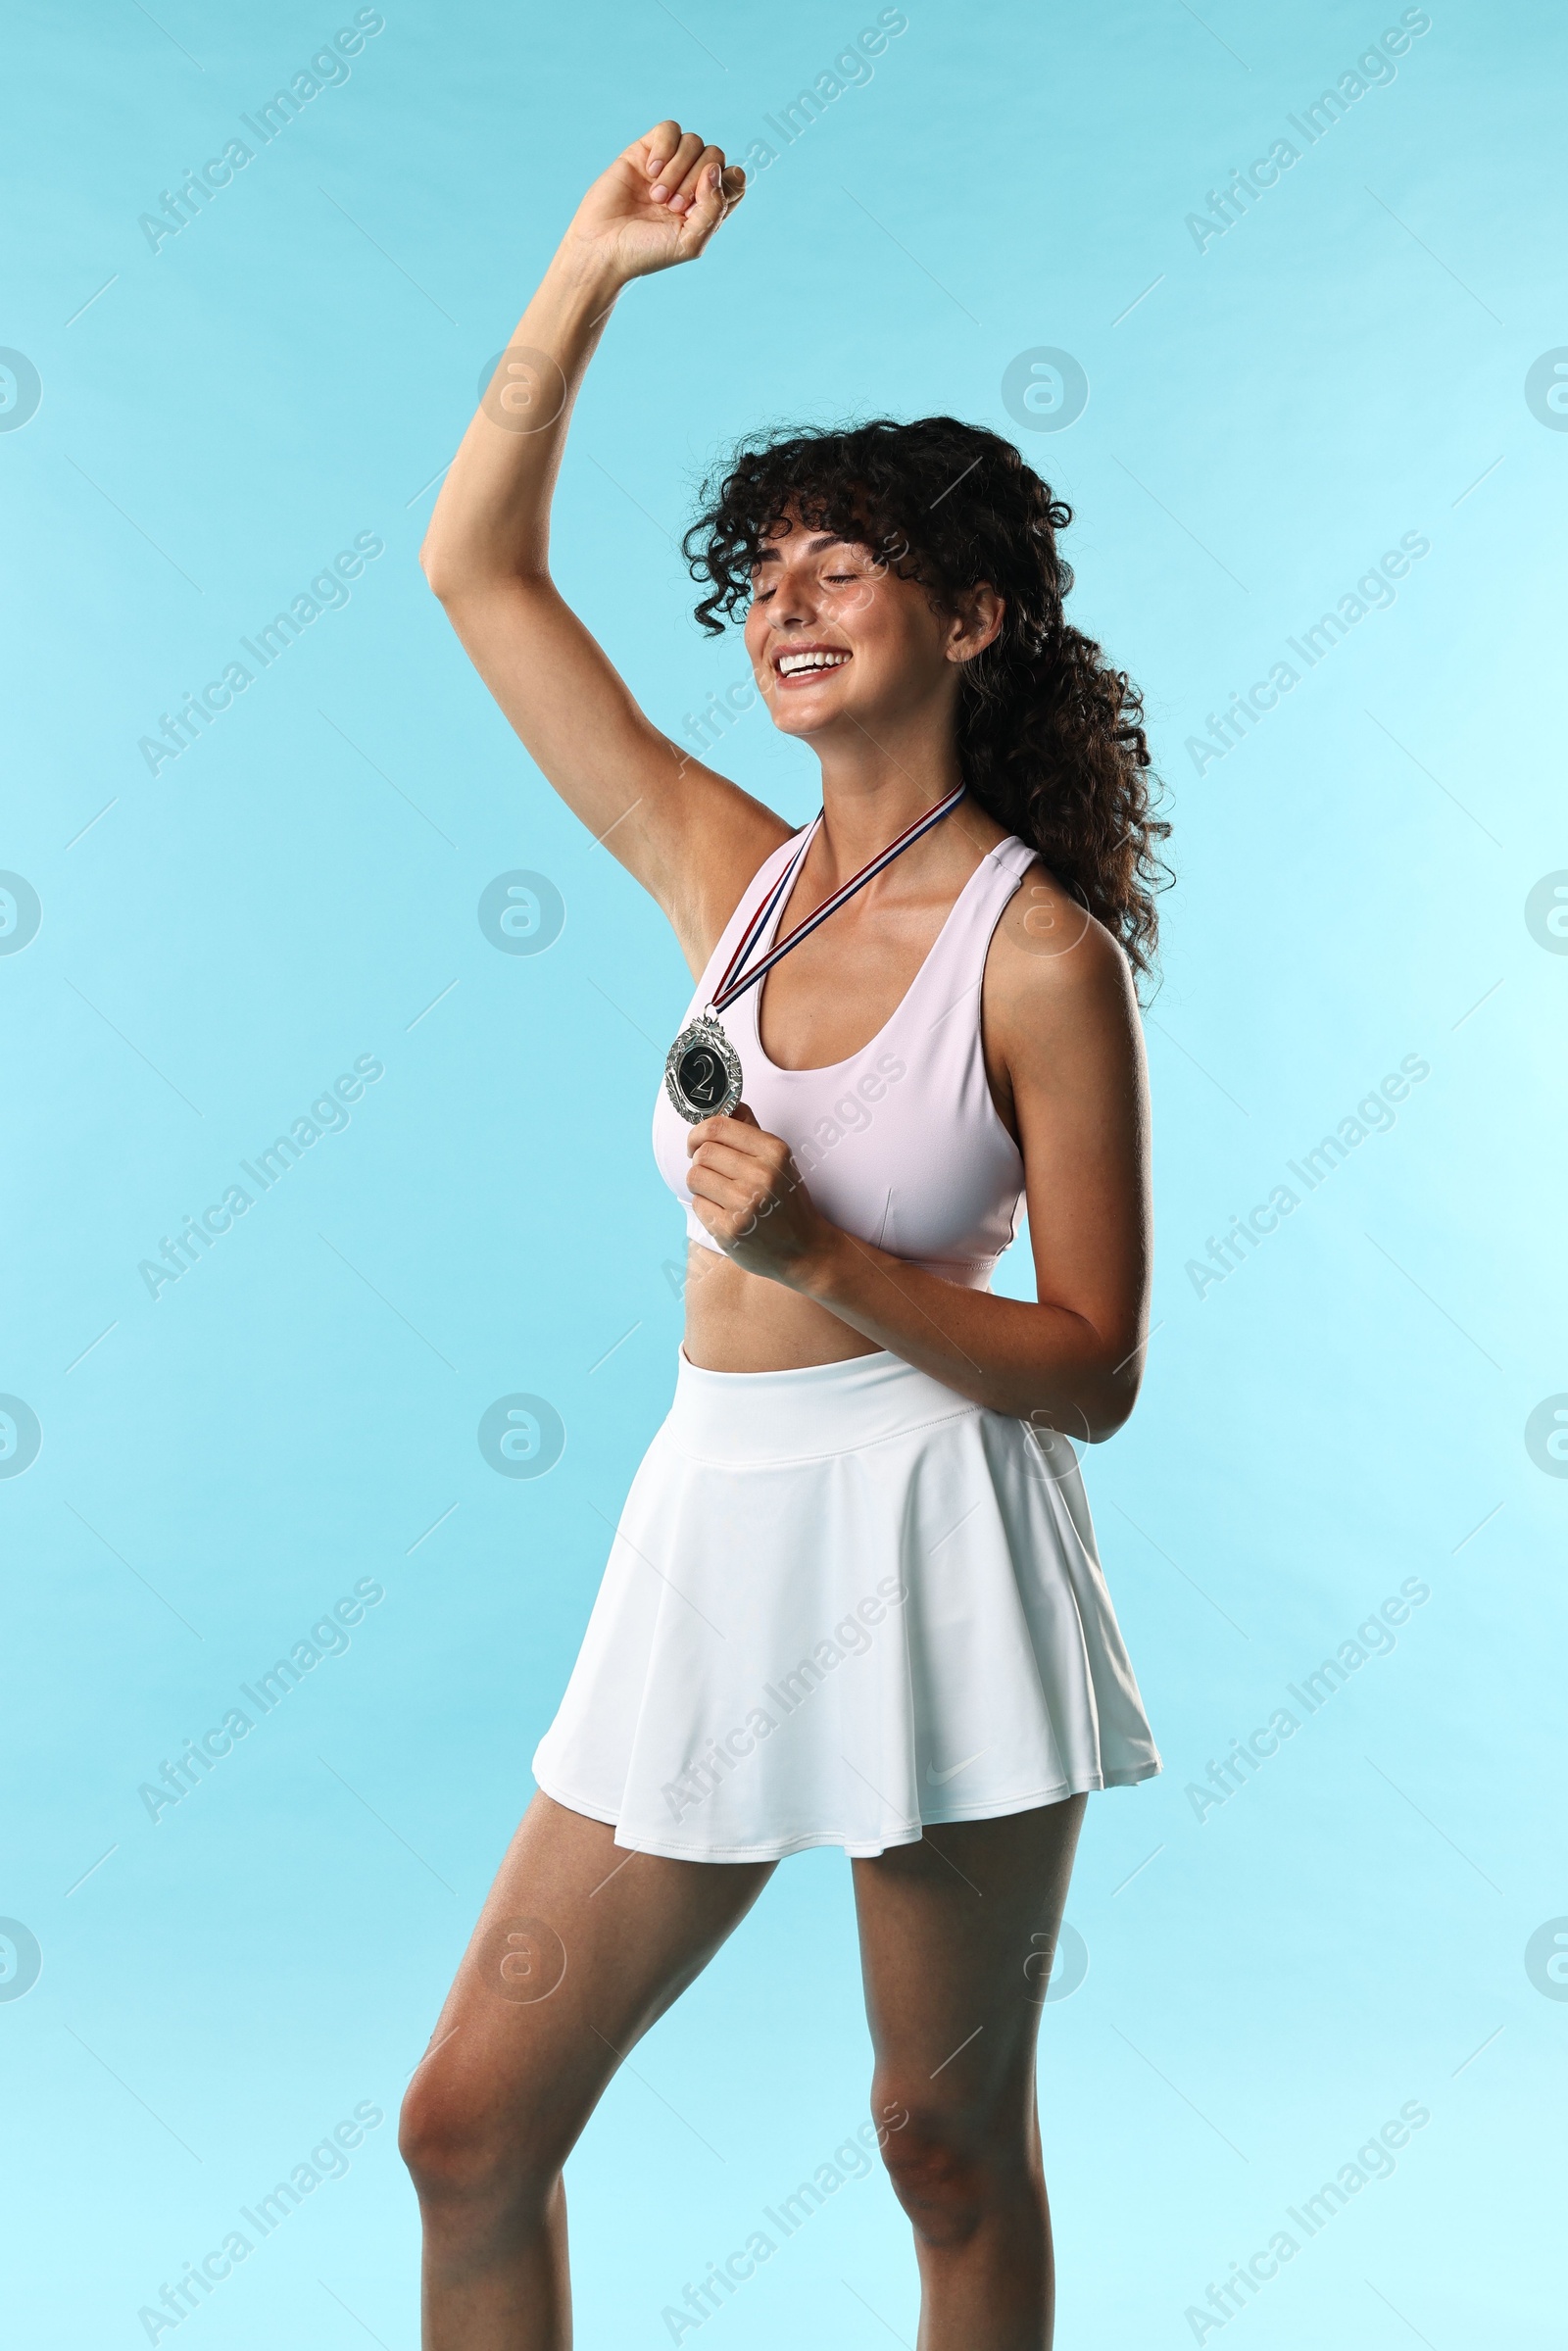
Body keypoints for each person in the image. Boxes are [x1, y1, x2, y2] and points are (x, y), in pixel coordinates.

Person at [400, 120, 1168, 2351]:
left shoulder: (1041, 958)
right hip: (708, 1531)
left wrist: (830, 1264)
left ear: (970, 618)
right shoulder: (720, 868)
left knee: (940, 2150)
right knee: (470, 2129)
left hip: (939, 1541)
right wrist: (585, 272)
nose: (787, 602)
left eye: (846, 569)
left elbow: (1095, 1368)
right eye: (766, 573)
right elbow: (476, 572)